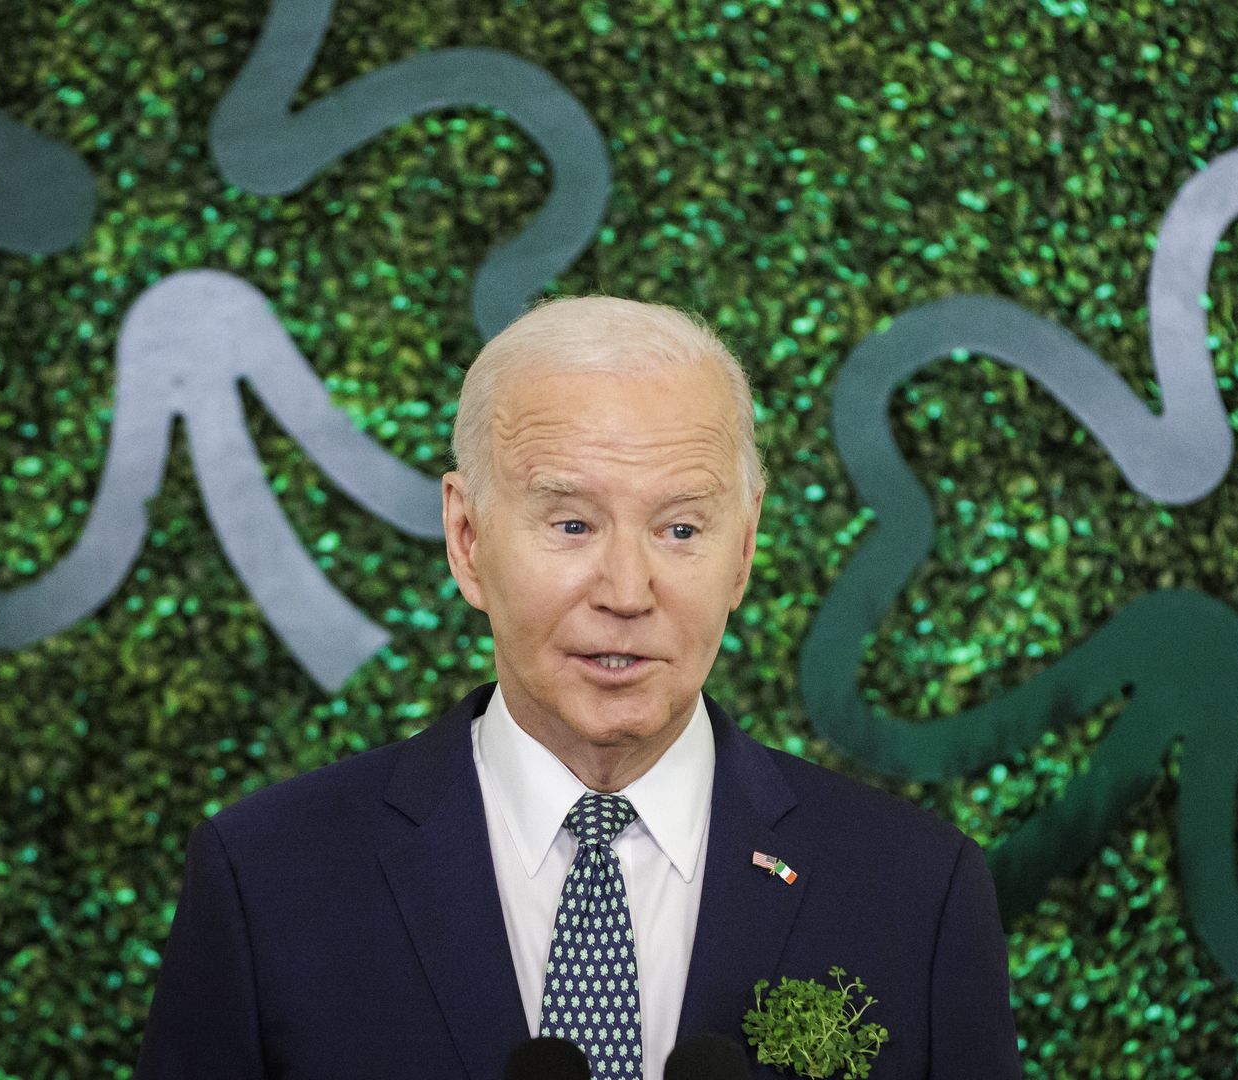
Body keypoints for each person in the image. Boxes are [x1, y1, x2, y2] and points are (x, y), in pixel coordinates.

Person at [134, 297, 1019, 1079]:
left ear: (744, 549)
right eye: (570, 523)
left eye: (680, 528)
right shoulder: (269, 881)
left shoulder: (915, 891)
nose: (627, 592)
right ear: (467, 538)